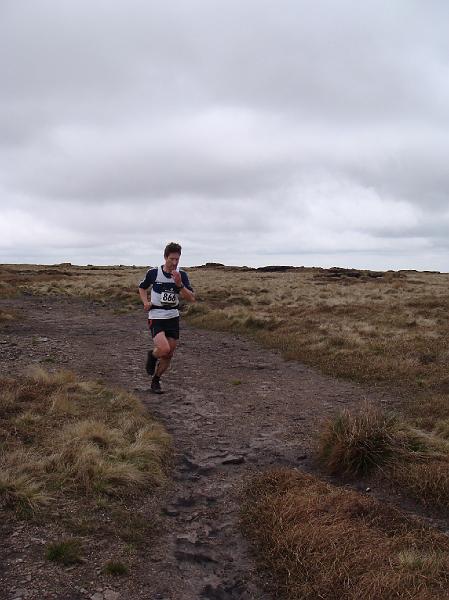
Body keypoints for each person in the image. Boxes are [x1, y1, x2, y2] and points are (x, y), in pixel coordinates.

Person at [138, 242, 195, 394]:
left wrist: (179, 285)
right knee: (164, 349)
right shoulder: (154, 273)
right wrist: (145, 302)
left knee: (169, 353)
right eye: (172, 259)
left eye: (177, 259)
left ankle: (156, 380)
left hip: (172, 317)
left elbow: (191, 298)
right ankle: (152, 355)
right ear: (165, 257)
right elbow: (142, 287)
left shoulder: (181, 275)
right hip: (156, 315)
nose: (175, 262)